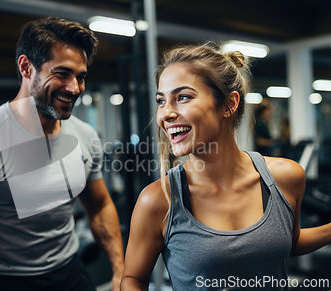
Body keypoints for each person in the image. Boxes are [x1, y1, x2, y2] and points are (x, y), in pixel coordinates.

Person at [0, 16, 124, 291]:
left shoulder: (85, 137)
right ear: (26, 67)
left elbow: (100, 206)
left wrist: (120, 271)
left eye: (81, 77)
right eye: (62, 73)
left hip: (69, 271)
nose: (75, 88)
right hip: (1, 280)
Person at [121, 43, 331, 290]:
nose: (165, 114)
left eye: (183, 97)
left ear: (229, 104)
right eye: (161, 101)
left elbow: (289, 241)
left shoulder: (286, 177)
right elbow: (133, 279)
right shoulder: (158, 200)